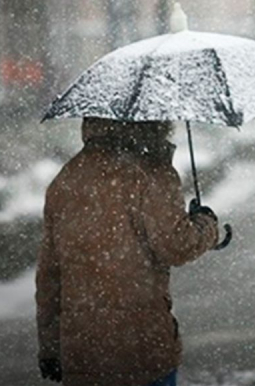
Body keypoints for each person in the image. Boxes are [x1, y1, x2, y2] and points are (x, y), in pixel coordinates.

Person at [36, 118, 219, 386]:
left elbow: (50, 276)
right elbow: (177, 246)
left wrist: (50, 347)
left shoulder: (67, 178)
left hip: (82, 355)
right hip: (142, 351)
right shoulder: (152, 173)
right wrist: (206, 225)